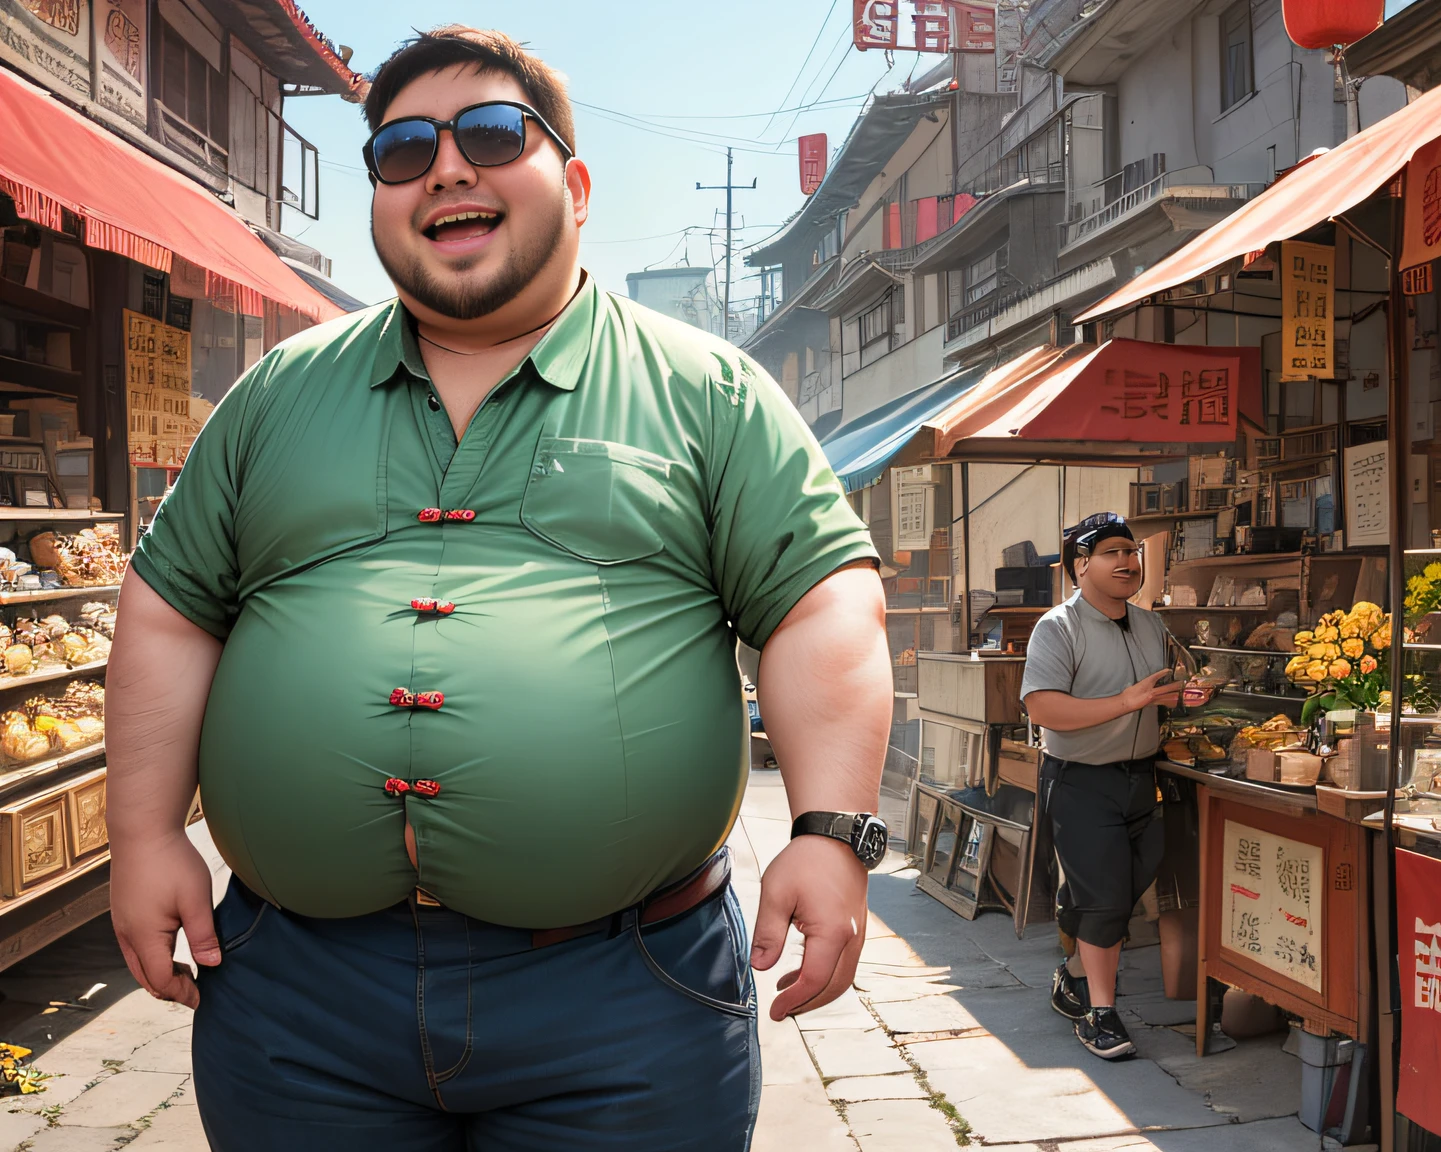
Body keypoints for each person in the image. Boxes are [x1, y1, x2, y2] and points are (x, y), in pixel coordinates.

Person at [105, 26, 894, 1151]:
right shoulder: (277, 394)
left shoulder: (709, 390)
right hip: (297, 996)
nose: (447, 168)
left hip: (623, 999)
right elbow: (171, 606)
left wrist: (827, 829)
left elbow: (824, 603)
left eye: (488, 133)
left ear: (572, 184)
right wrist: (141, 833)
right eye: (401, 150)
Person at [1019, 512, 1183, 1059]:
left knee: (1130, 884)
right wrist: (1128, 701)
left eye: (1131, 551)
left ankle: (1072, 970)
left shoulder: (1150, 625)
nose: (1126, 561)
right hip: (1081, 782)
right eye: (1111, 552)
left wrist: (1180, 697)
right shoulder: (1057, 627)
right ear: (1080, 566)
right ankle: (1101, 1014)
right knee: (1109, 898)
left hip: (1142, 778)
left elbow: (1158, 694)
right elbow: (1043, 708)